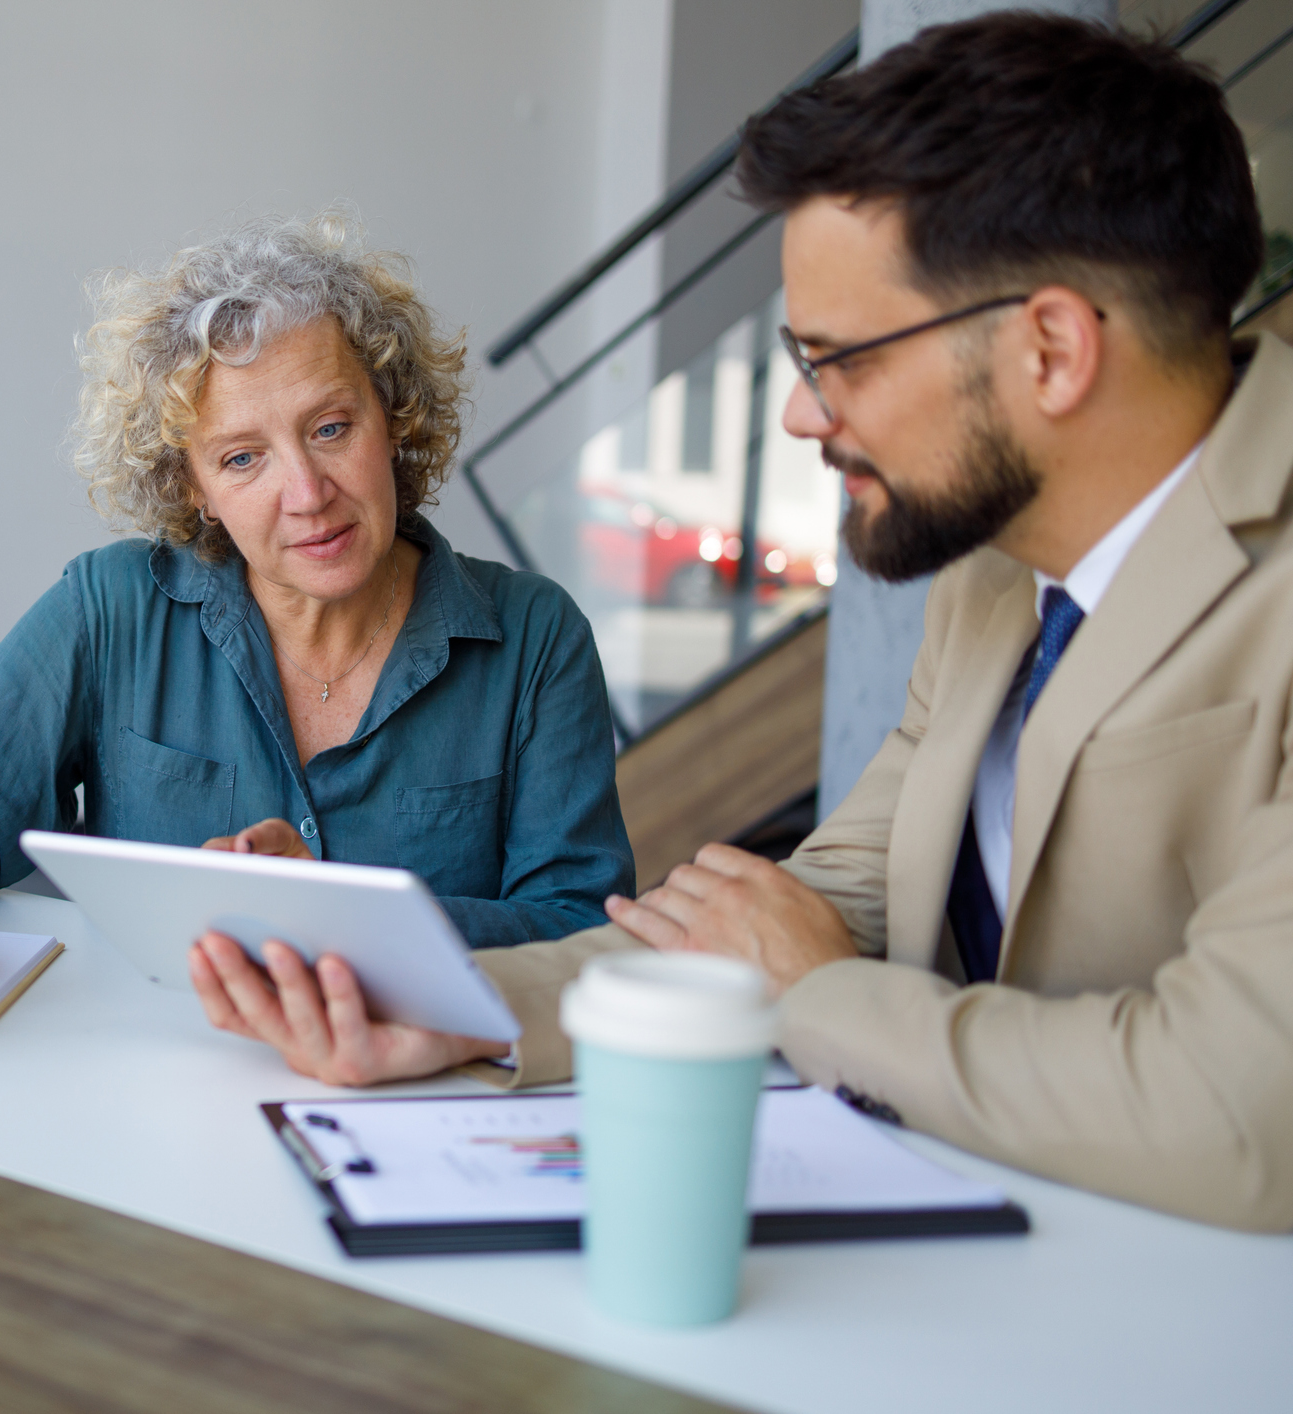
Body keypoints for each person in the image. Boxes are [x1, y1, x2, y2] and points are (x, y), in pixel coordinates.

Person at [191, 14, 1293, 1231]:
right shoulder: (994, 577)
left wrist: (820, 998)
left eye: (839, 360)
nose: (803, 421)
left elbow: (1238, 1110)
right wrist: (456, 1008)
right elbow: (804, 911)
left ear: (1051, 348)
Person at [0, 212, 635, 983]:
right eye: (243, 458)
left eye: (329, 428)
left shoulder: (533, 635)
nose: (307, 493)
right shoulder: (112, 608)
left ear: (392, 420)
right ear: (196, 490)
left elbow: (582, 930)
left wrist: (336, 916)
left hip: (415, 1095)